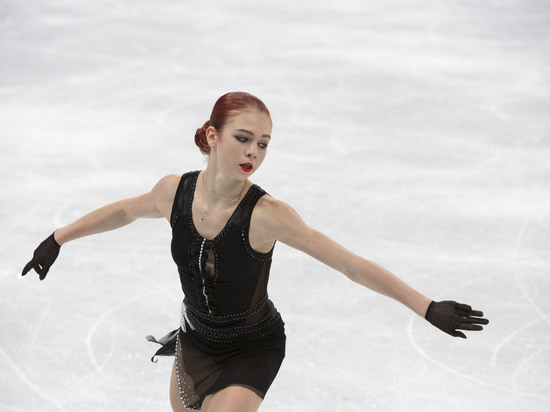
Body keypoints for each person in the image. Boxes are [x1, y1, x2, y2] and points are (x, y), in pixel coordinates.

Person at [22, 91, 489, 412]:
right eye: (243, 138)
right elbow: (125, 211)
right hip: (195, 339)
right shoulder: (173, 192)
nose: (254, 153)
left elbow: (349, 264)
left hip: (253, 344)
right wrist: (57, 238)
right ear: (212, 136)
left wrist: (425, 306)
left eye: (263, 144)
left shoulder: (267, 215)